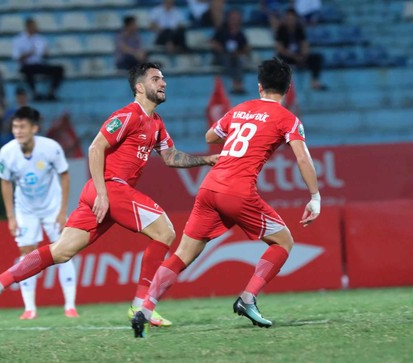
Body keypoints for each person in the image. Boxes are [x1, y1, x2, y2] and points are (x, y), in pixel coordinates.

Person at [0, 62, 219, 328]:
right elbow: (96, 147)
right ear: (139, 87)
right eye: (155, 79)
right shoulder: (128, 115)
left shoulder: (156, 124)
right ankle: (142, 306)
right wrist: (103, 194)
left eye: (163, 79)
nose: (163, 83)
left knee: (61, 252)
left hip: (104, 193)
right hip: (109, 188)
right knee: (165, 232)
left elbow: (171, 157)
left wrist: (205, 160)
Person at [131, 58, 321, 338]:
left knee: (184, 253)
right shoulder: (288, 119)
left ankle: (145, 309)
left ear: (259, 87)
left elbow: (211, 135)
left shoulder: (241, 108)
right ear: (288, 88)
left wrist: (239, 132)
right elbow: (302, 158)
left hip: (209, 187)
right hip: (238, 191)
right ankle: (247, 298)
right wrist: (315, 196)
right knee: (283, 241)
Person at [0, 105, 78, 319]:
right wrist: (11, 217)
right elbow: (5, 183)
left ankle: (70, 305)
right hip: (25, 210)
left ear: (34, 128)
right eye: (15, 127)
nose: (18, 131)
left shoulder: (51, 148)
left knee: (64, 253)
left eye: (22, 127)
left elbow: (64, 175)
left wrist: (62, 211)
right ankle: (30, 308)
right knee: (26, 255)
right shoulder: (7, 152)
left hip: (52, 206)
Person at [12, 17, 64, 101]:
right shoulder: (18, 40)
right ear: (28, 26)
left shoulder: (40, 39)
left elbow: (43, 55)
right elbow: (17, 58)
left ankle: (51, 93)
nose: (35, 28)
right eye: (33, 26)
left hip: (39, 64)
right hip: (27, 65)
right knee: (27, 70)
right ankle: (34, 93)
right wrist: (28, 54)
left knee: (59, 69)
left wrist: (45, 53)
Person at [275, 8, 327, 91]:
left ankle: (314, 82)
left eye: (292, 19)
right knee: (278, 59)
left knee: (317, 58)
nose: (290, 21)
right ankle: (281, 85)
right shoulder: (281, 30)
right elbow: (280, 49)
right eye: (288, 19)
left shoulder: (300, 29)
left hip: (300, 56)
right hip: (288, 56)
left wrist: (303, 55)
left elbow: (305, 45)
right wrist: (294, 56)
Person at [211, 9, 251, 94]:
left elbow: (246, 48)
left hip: (235, 56)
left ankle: (238, 84)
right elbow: (214, 42)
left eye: (237, 18)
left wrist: (239, 53)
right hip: (222, 56)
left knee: (239, 60)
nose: (235, 20)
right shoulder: (221, 31)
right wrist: (223, 50)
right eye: (233, 18)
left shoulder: (241, 34)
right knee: (228, 59)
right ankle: (235, 83)